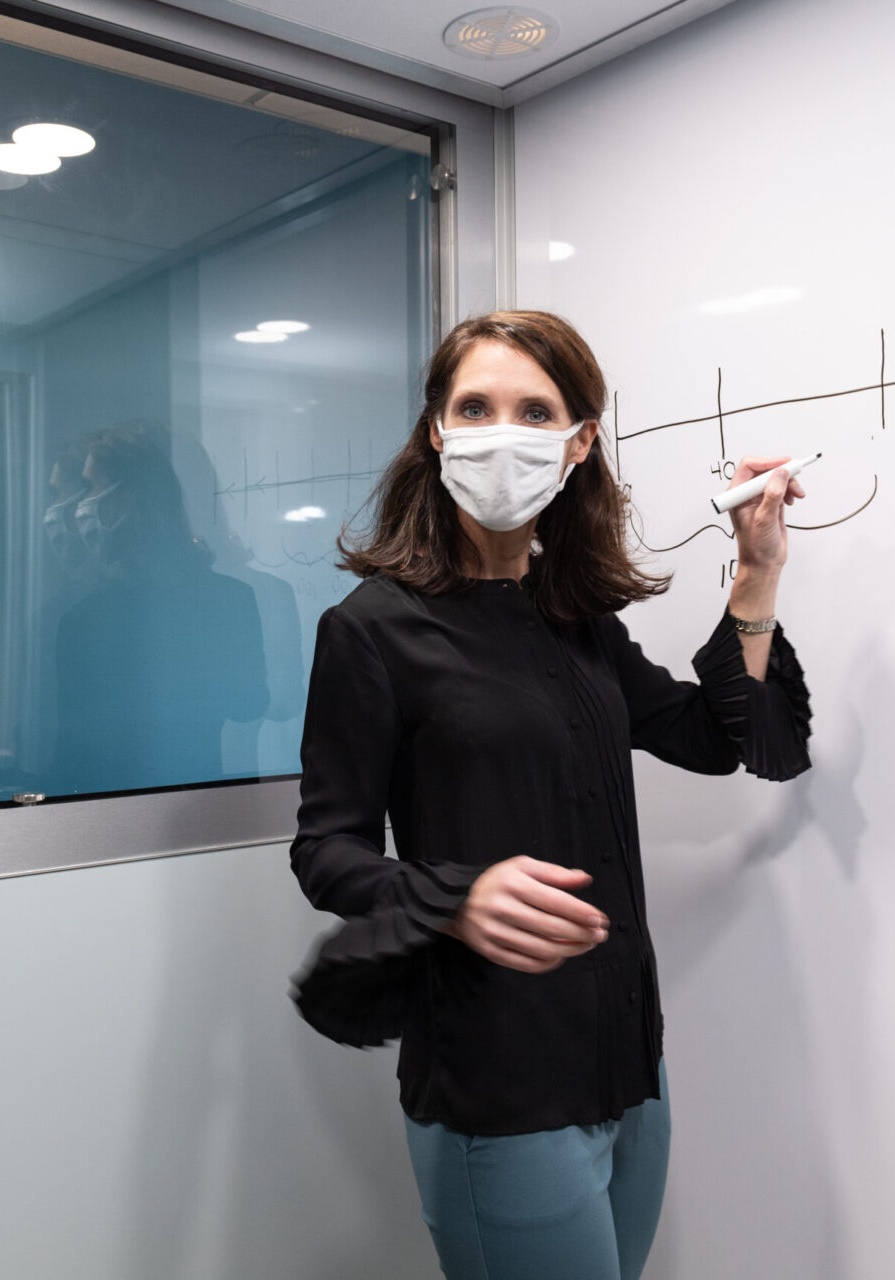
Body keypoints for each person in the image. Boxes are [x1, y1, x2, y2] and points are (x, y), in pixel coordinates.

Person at [287, 311, 814, 1280]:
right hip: (500, 1075)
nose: (501, 433)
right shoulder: (371, 630)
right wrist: (455, 895)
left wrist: (756, 571)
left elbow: (713, 738)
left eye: (534, 411)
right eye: (474, 408)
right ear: (436, 431)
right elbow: (326, 851)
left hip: (627, 1059)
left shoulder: (575, 619)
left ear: (578, 442)